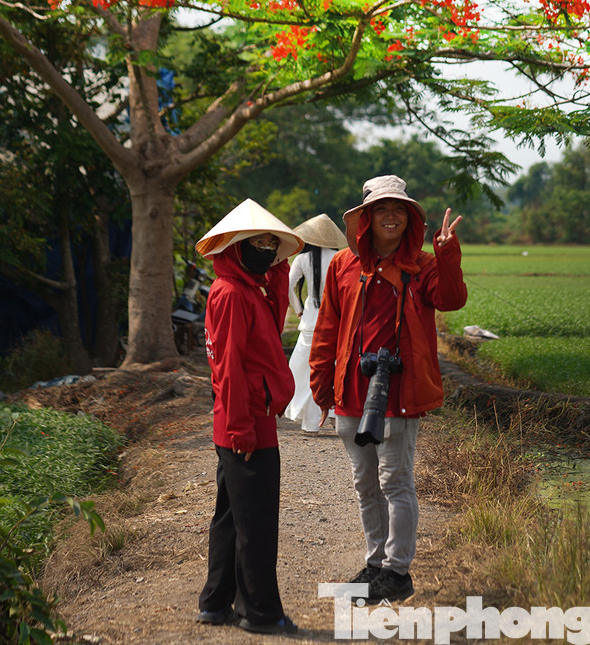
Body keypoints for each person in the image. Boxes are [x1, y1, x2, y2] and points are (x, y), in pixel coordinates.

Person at [309, 175, 466, 604]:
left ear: (409, 217)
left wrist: (447, 251)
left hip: (399, 393)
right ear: (366, 218)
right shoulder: (344, 265)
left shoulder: (424, 265)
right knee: (365, 484)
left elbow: (452, 299)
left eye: (399, 209)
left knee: (395, 481)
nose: (391, 216)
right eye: (382, 209)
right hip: (351, 393)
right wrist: (322, 387)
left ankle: (397, 572)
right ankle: (375, 563)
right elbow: (327, 329)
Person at [193, 199, 304, 635]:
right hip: (246, 424)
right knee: (256, 522)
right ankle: (259, 612)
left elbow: (273, 325)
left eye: (270, 244)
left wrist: (276, 270)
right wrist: (240, 425)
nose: (264, 250)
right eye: (256, 243)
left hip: (245, 419)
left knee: (230, 515)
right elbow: (228, 366)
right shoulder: (232, 294)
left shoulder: (247, 290)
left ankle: (215, 602)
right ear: (236, 247)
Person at [284, 214, 348, 432]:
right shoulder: (340, 257)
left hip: (311, 321)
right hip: (336, 321)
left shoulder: (302, 259)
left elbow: (289, 286)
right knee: (335, 368)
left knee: (306, 370)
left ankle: (311, 423)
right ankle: (335, 417)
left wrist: (299, 310)